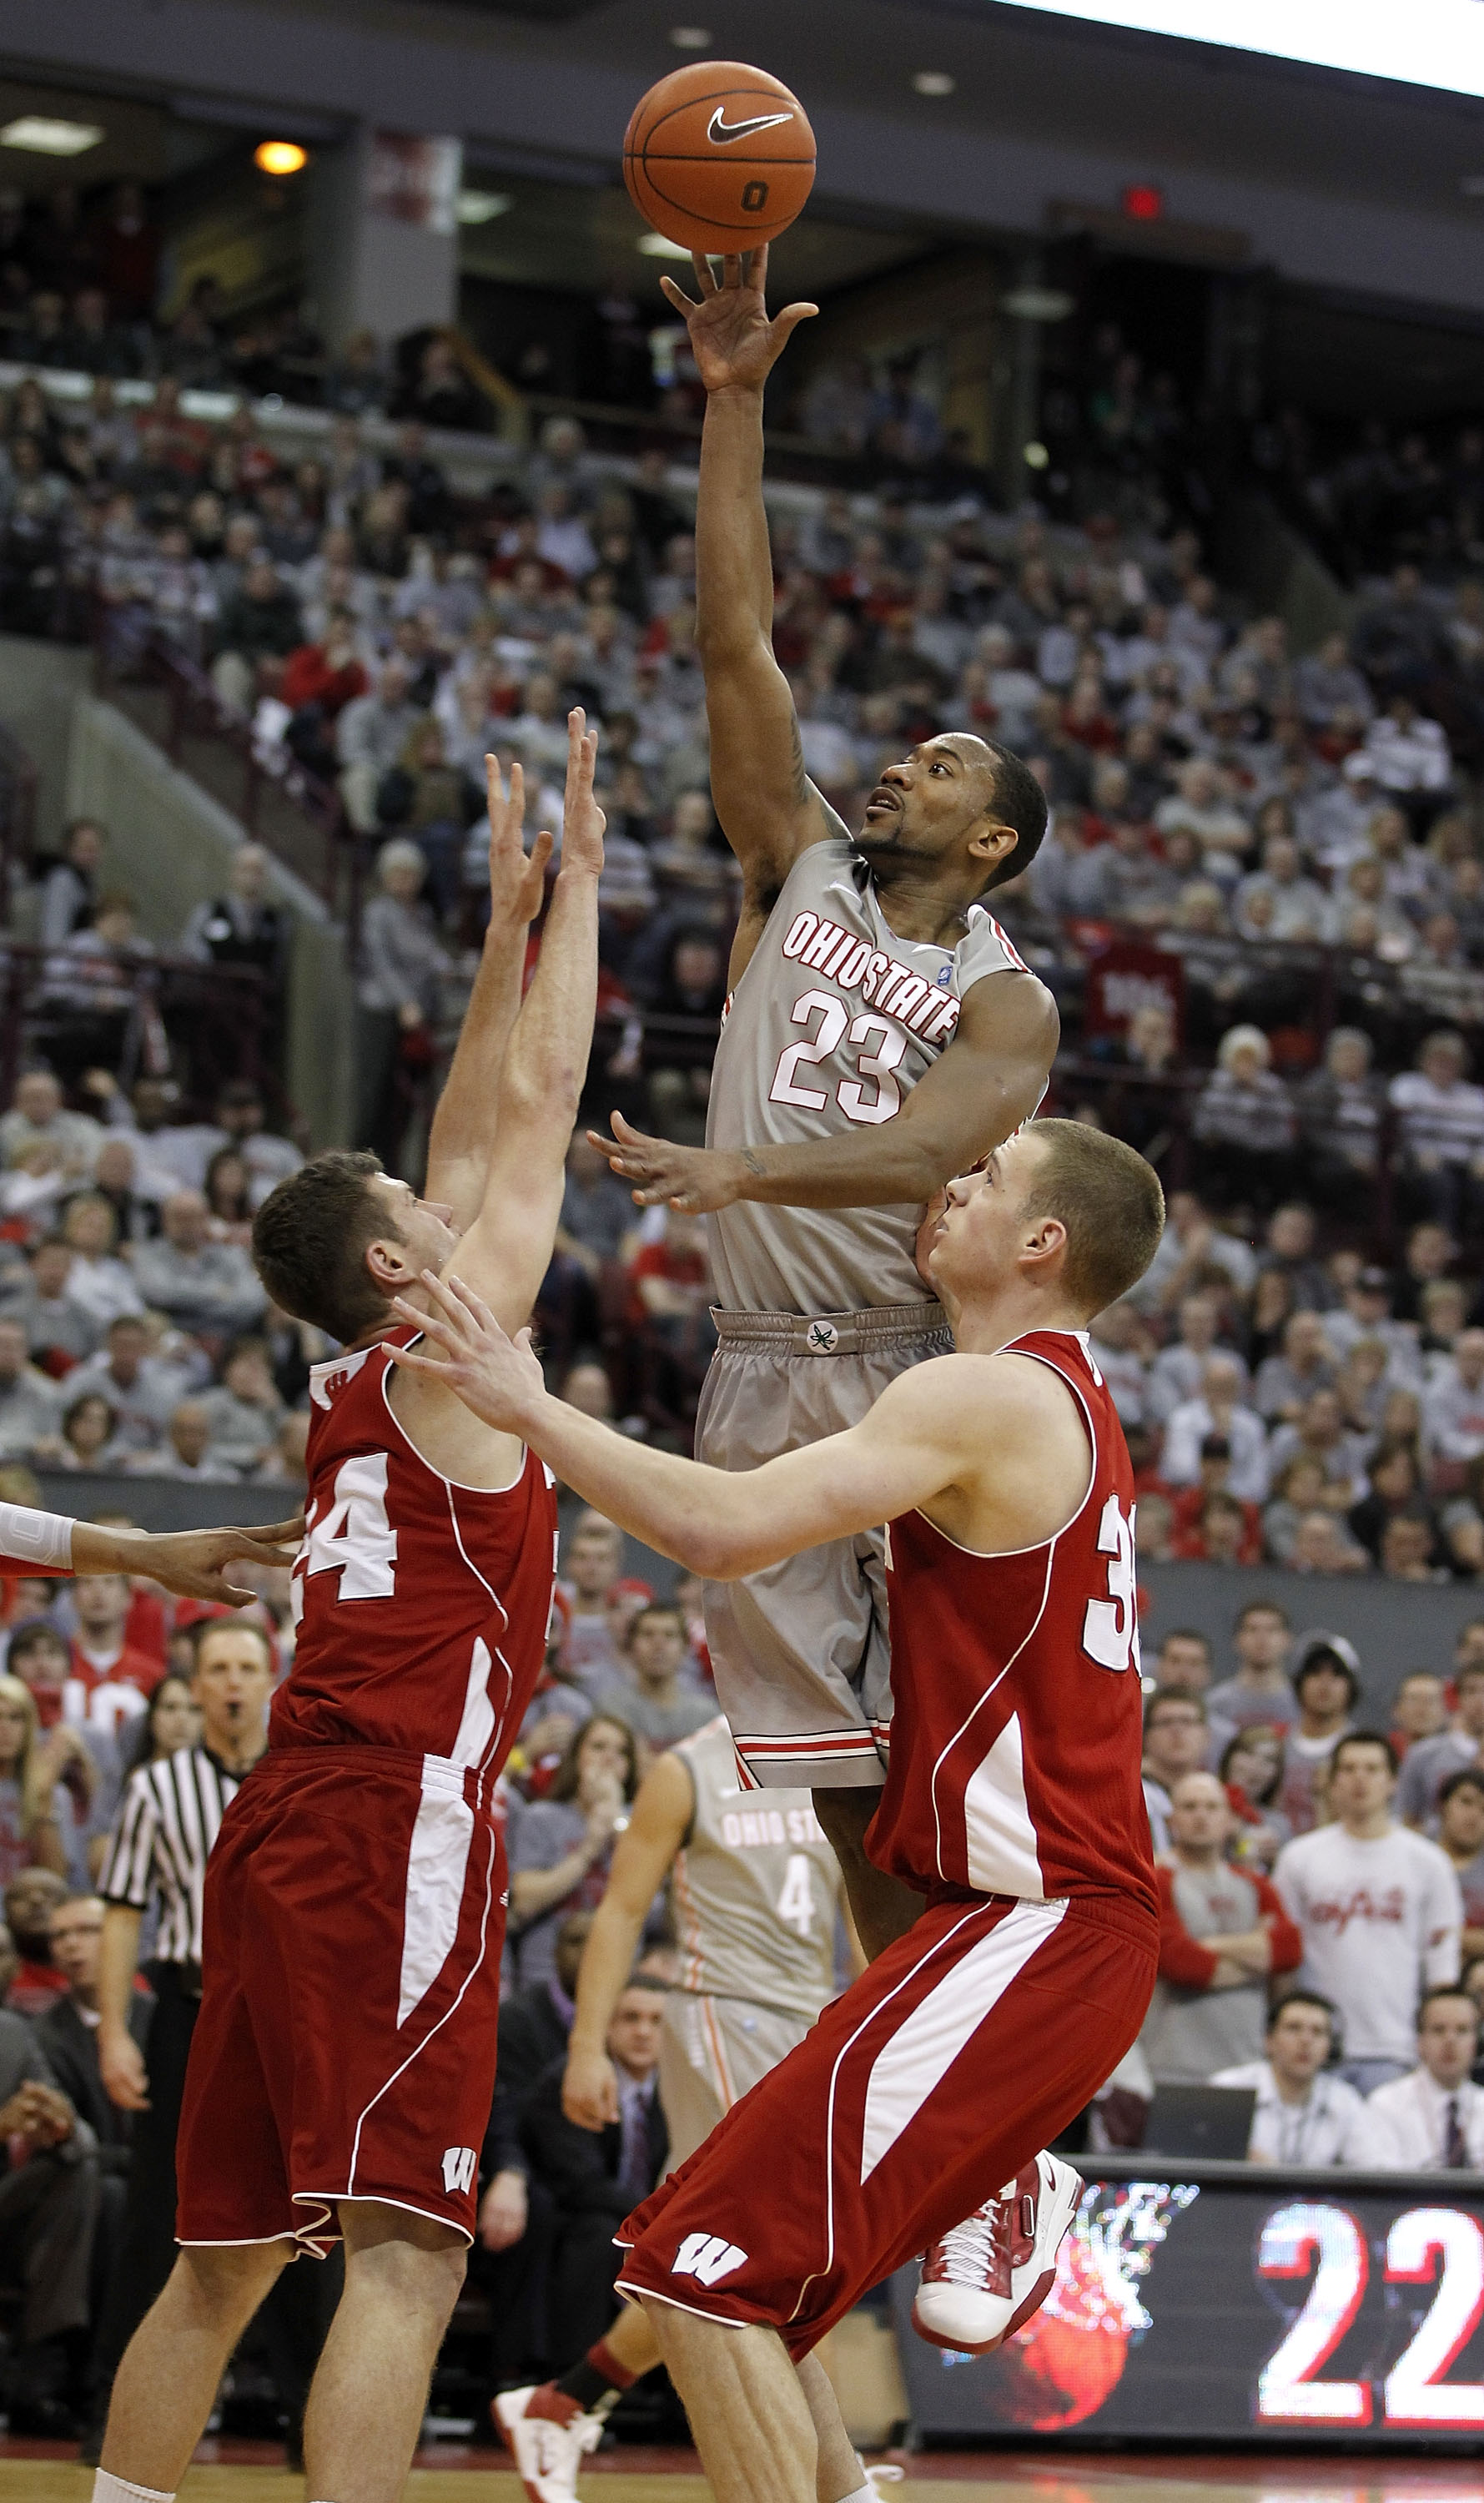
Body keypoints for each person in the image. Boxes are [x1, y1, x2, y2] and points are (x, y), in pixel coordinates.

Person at [389, 1112, 1165, 2489]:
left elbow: (716, 1528)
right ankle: (997, 2181)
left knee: (701, 2284)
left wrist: (526, 1409)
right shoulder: (1056, 1398)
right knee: (693, 2272)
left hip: (1031, 1926)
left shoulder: (979, 1398)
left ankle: (1001, 2180)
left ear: (1041, 1242)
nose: (949, 1183)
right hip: (998, 1931)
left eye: (983, 1178)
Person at [89, 715, 606, 2503]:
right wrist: (591, 894)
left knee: (223, 2261)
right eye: (415, 1213)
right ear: (402, 1268)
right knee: (408, 2249)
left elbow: (464, 1134)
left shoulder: (360, 1388)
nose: (439, 1199)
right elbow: (530, 1124)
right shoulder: (462, 1363)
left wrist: (498, 933)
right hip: (400, 1819)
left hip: (291, 1825)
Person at [583, 247, 1058, 1972]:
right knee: (837, 1781)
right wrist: (730, 408)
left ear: (991, 842)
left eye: (942, 764)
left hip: (906, 1364)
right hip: (752, 1360)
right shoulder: (795, 865)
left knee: (951, 1750)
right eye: (907, 749)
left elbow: (940, 1149)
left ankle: (987, 2049)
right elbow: (735, 637)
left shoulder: (1007, 994)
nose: (898, 764)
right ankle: (900, 2036)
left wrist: (749, 1162)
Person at [496, 1716, 845, 2485]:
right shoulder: (686, 1768)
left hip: (809, 2024)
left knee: (707, 2269)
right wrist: (587, 2048)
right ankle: (843, 2484)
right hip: (719, 2012)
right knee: (764, 2265)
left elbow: (861, 1911)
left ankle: (564, 2402)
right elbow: (619, 1912)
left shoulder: (830, 1755)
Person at [1273, 1733, 1464, 2093]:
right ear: (1332, 1783)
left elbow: (1442, 1969)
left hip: (1396, 2047)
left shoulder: (1428, 1862)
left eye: (1372, 1769)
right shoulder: (1299, 1858)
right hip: (1316, 2048)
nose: (1360, 1778)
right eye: (1348, 1769)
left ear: (1393, 1781)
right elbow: (1285, 1958)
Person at [517, 1978, 669, 2375]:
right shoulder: (571, 2080)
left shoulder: (677, 2089)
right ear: (607, 2026)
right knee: (600, 2236)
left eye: (656, 2021)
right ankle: (572, 2381)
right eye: (631, 2018)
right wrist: (659, 2218)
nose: (643, 2031)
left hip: (646, 2219)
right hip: (568, 2219)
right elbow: (579, 2182)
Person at [1142, 1771, 1301, 2086]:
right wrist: (1257, 1955)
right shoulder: (1156, 1879)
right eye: (1189, 1807)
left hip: (1247, 2059)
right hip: (1173, 2061)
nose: (1201, 1816)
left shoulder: (1255, 1884)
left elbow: (1289, 1950)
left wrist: (1210, 1944)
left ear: (1229, 1820)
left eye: (1211, 1807)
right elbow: (1182, 1964)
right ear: (1172, 1820)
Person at [508, 1715, 640, 1989]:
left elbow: (653, 1909)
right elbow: (525, 1901)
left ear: (629, 1767)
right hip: (546, 1975)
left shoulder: (642, 1823)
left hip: (622, 1977)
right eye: (598, 1747)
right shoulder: (542, 1818)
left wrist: (615, 1820)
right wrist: (589, 1848)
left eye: (621, 1752)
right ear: (576, 1757)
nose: (609, 1758)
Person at [1212, 1993, 1386, 2167]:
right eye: (1294, 2028)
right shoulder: (1228, 2089)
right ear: (1269, 2040)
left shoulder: (1345, 2100)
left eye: (1317, 2032)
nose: (1306, 2040)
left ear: (1329, 2048)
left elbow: (1372, 2168)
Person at [1366, 1987, 1484, 2168]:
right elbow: (1383, 2181)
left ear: (1476, 2043)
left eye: (1462, 2030)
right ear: (1420, 2041)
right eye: (1438, 2030)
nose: (1450, 2041)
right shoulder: (1386, 2103)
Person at [590, 1603, 713, 1755]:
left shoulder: (706, 1715)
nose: (659, 1645)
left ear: (685, 1649)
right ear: (631, 1647)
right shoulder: (610, 1709)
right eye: (648, 1634)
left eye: (669, 1635)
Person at [1275, 1635, 1360, 1837]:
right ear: (1300, 1683)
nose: (1325, 1683)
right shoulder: (1274, 1743)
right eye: (1314, 1673)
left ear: (1351, 1687)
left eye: (1336, 1674)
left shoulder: (1362, 1749)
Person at [1399, 1659, 1484, 1826]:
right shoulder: (1422, 1754)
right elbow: (1406, 1817)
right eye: (1471, 1691)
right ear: (1457, 1698)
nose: (1480, 1700)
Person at [1205, 1600, 1295, 1746]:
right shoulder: (1215, 1703)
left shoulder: (1302, 1704)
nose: (1262, 1638)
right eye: (1253, 1629)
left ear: (1287, 1640)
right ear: (1237, 1640)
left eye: (1272, 1630)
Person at [1141, 1688, 1211, 1854]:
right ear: (1146, 1737)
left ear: (1206, 1736)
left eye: (1187, 1721)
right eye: (1166, 1722)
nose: (1177, 1731)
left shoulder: (1217, 1798)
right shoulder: (1133, 1797)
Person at [1434, 1767, 1484, 1962]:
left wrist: (1445, 1934)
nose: (1473, 1816)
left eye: (1483, 1809)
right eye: (1466, 1802)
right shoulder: (1416, 1862)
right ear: (1443, 1805)